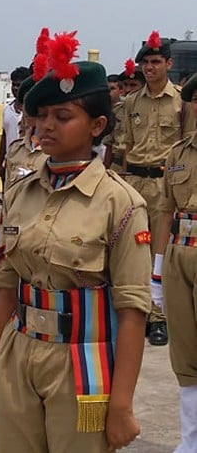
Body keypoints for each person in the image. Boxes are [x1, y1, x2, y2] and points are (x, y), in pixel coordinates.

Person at [0, 33, 150, 452]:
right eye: (42, 115)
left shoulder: (120, 203)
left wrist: (122, 405)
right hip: (19, 353)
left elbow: (132, 311)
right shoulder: (20, 193)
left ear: (97, 125)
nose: (46, 125)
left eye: (63, 116)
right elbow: (6, 290)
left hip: (83, 364)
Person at [122, 31, 196, 346]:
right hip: (136, 181)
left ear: (168, 63)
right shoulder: (130, 102)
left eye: (155, 62)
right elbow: (126, 145)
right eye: (145, 63)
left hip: (167, 183)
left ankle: (159, 317)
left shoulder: (181, 100)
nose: (149, 68)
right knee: (132, 250)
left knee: (160, 250)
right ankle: (136, 311)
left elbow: (189, 145)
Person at [153, 72, 197, 452]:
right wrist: (156, 270)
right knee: (185, 353)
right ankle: (189, 440)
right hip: (180, 256)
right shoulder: (178, 154)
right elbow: (166, 212)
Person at [0, 67, 32, 183]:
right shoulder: (7, 109)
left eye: (19, 85)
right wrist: (0, 161)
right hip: (10, 163)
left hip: (27, 163)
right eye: (14, 85)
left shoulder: (34, 112)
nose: (16, 88)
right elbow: (4, 135)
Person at [103, 70, 126, 172]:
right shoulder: (101, 110)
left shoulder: (125, 110)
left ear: (121, 91)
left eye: (112, 89)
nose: (109, 92)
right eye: (107, 89)